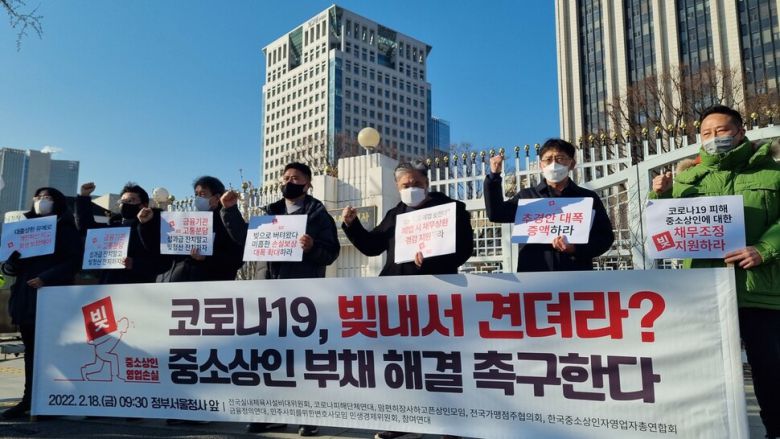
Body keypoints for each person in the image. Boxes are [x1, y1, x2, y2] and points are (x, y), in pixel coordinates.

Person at [650, 105, 780, 439]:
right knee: (705, 372)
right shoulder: (687, 179)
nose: (714, 138)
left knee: (770, 371)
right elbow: (666, 230)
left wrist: (764, 249)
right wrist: (659, 195)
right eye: (706, 133)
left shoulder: (772, 173)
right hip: (704, 294)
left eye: (721, 130)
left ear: (740, 131)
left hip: (759, 291)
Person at [342, 160, 473, 439]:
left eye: (416, 183)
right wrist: (352, 225)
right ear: (397, 187)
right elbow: (372, 246)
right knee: (402, 362)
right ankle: (402, 420)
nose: (411, 188)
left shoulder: (450, 209)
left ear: (427, 184)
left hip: (436, 294)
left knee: (441, 361)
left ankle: (451, 424)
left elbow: (465, 249)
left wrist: (433, 259)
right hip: (398, 297)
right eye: (405, 185)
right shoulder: (395, 214)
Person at [246, 162, 340, 437]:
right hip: (268, 294)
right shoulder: (268, 214)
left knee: (303, 358)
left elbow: (331, 253)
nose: (289, 182)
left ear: (308, 184)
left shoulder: (318, 215)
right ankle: (270, 415)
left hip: (301, 296)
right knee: (269, 357)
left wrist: (312, 248)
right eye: (286, 177)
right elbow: (248, 246)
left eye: (296, 178)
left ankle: (308, 415)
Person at [1, 188, 81, 419]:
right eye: (38, 197)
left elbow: (74, 262)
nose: (41, 201)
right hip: (26, 297)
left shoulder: (65, 228)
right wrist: (12, 262)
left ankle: (51, 399)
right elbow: (8, 267)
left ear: (58, 202)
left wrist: (46, 277)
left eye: (47, 197)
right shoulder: (22, 228)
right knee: (31, 351)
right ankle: (29, 399)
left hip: (52, 296)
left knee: (52, 351)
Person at [483, 138, 614, 272]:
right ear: (541, 165)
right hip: (534, 276)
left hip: (576, 275)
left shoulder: (587, 198)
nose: (554, 164)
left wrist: (576, 249)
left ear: (572, 164)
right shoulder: (527, 197)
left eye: (560, 158)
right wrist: (494, 177)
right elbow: (496, 214)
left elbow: (605, 238)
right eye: (548, 159)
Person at [137, 176, 245, 283]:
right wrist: (146, 225)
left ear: (217, 197)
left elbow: (236, 259)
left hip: (210, 287)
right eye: (196, 194)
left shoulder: (228, 224)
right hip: (178, 285)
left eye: (202, 194)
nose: (197, 198)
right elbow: (160, 251)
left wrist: (206, 258)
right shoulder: (186, 223)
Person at [75, 182, 162, 284]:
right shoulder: (113, 227)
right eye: (122, 201)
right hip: (107, 285)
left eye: (131, 200)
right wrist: (84, 197)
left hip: (136, 286)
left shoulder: (152, 228)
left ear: (144, 205)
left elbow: (161, 261)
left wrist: (134, 264)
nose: (125, 204)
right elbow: (87, 228)